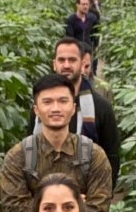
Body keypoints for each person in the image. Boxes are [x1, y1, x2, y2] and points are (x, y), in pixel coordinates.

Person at [2, 73, 112, 212]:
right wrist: (75, 205)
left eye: (63, 101)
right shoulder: (18, 157)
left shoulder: (94, 155)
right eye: (47, 102)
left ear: (73, 108)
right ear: (36, 110)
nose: (55, 108)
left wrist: (38, 205)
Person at [28, 38, 120, 189]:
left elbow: (112, 156)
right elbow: (29, 148)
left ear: (82, 63)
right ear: (54, 64)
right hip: (44, 194)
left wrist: (100, 195)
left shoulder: (101, 107)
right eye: (61, 60)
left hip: (87, 195)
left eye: (72, 60)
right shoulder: (41, 107)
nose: (66, 65)